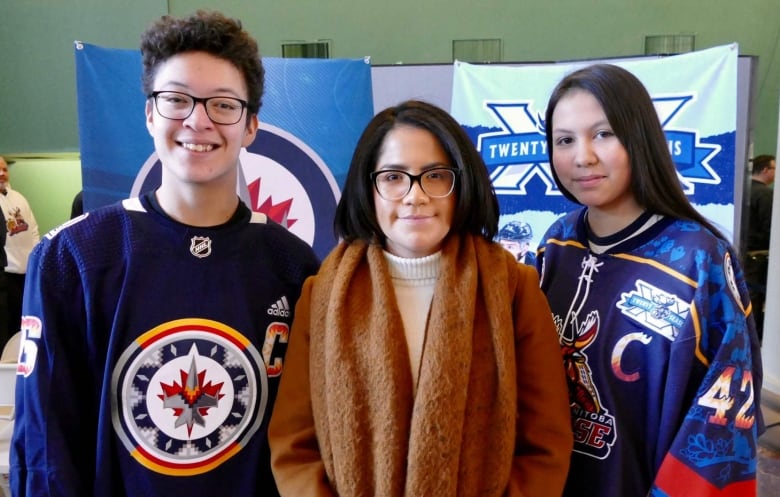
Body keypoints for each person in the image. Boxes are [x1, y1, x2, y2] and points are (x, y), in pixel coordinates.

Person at [10, 10, 319, 497]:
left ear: (252, 125)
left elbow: (309, 442)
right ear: (150, 112)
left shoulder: (294, 268)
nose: (198, 120)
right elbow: (46, 446)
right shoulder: (74, 259)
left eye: (222, 104)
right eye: (176, 100)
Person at [268, 99, 573, 497]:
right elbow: (294, 445)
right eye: (394, 177)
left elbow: (545, 446)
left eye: (435, 176)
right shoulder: (322, 293)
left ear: (460, 185)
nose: (415, 196)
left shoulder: (514, 289)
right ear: (369, 187)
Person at [537, 63, 764, 497]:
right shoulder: (556, 245)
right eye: (565, 140)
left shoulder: (699, 260)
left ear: (639, 138)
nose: (582, 156)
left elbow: (721, 429)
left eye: (603, 134)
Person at [0, 155, 39, 338]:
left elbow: (33, 229)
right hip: (6, 271)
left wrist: (35, 259)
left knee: (23, 321)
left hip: (26, 271)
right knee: (6, 322)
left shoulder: (19, 198)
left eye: (5, 169)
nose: (2, 173)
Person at [744, 154, 775, 342]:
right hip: (758, 258)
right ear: (765, 170)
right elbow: (770, 227)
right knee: (755, 299)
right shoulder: (765, 194)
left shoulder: (743, 190)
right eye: (774, 168)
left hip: (742, 254)